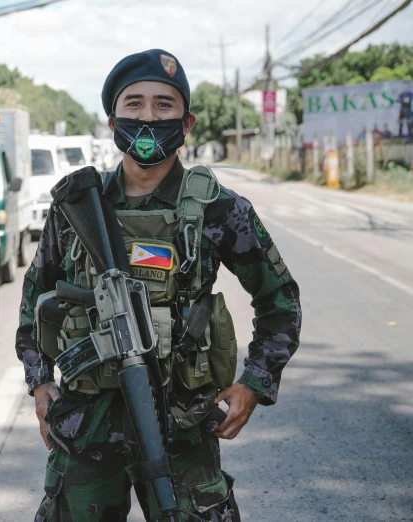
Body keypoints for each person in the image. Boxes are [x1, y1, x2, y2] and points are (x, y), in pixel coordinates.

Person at [15, 49, 302, 521]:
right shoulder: (75, 207)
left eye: (163, 105)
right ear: (112, 121)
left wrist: (255, 383)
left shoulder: (219, 209)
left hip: (181, 427)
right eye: (134, 104)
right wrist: (38, 380)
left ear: (186, 123)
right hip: (86, 427)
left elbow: (279, 299)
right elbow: (33, 296)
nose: (148, 116)